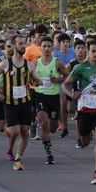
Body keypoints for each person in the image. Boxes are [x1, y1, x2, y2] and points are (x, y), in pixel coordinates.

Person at [63, 38, 96, 185]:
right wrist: (71, 94)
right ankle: (85, 135)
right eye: (93, 51)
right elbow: (66, 84)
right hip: (84, 109)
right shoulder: (80, 68)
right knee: (85, 141)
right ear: (88, 52)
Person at [0, 35, 35, 171]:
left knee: (25, 132)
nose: (23, 46)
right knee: (14, 131)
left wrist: (38, 81)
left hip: (25, 102)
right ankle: (10, 148)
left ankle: (17, 158)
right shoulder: (4, 64)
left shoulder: (30, 64)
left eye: (24, 44)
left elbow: (35, 78)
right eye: (20, 44)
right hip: (10, 102)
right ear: (15, 46)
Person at [30, 36, 68, 165]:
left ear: (52, 48)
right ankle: (49, 153)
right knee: (44, 123)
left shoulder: (57, 62)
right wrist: (35, 81)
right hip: (40, 96)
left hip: (53, 97)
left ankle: (38, 122)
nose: (46, 49)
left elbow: (68, 76)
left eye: (48, 46)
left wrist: (57, 80)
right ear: (40, 48)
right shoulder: (36, 63)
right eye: (44, 46)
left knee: (52, 127)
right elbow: (31, 78)